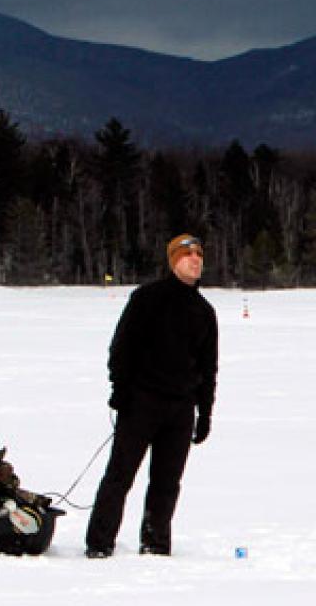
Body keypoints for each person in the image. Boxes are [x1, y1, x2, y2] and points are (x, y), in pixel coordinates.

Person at [85, 234, 218, 558]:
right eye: (188, 255)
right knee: (120, 476)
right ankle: (99, 543)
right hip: (142, 402)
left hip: (181, 409)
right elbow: (122, 348)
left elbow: (208, 368)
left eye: (199, 255)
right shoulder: (147, 298)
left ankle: (155, 544)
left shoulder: (204, 311)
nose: (196, 260)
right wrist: (120, 391)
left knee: (166, 483)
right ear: (173, 261)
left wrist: (205, 413)